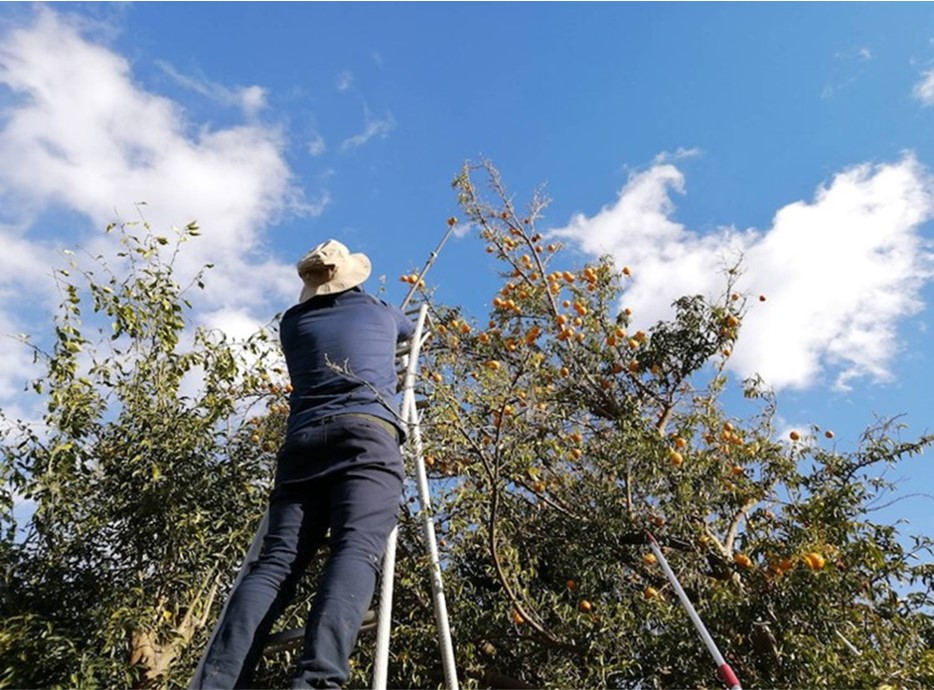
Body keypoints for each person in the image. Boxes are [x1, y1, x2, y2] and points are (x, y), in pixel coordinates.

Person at [198, 240, 414, 689]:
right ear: (352, 276)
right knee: (355, 549)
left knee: (276, 562)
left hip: (303, 442)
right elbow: (408, 329)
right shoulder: (378, 311)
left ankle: (219, 680)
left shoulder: (293, 322)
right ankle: (317, 681)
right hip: (366, 434)